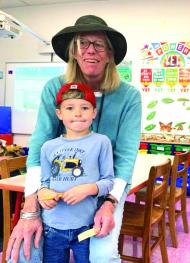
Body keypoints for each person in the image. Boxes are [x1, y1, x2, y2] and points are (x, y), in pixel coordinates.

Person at [6, 15, 141, 263]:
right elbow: (39, 146)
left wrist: (110, 203)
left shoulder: (128, 97)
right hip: (58, 191)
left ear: (110, 54)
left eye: (99, 44)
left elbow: (126, 156)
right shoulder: (53, 88)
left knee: (102, 255)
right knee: (26, 251)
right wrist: (30, 205)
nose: (91, 50)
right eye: (82, 43)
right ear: (73, 53)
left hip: (106, 189)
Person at [38, 82, 114, 263]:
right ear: (59, 114)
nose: (78, 113)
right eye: (70, 108)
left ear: (94, 113)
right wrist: (44, 193)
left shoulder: (101, 142)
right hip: (53, 226)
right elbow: (44, 182)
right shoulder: (48, 147)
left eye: (85, 107)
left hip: (86, 225)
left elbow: (109, 181)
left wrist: (89, 188)